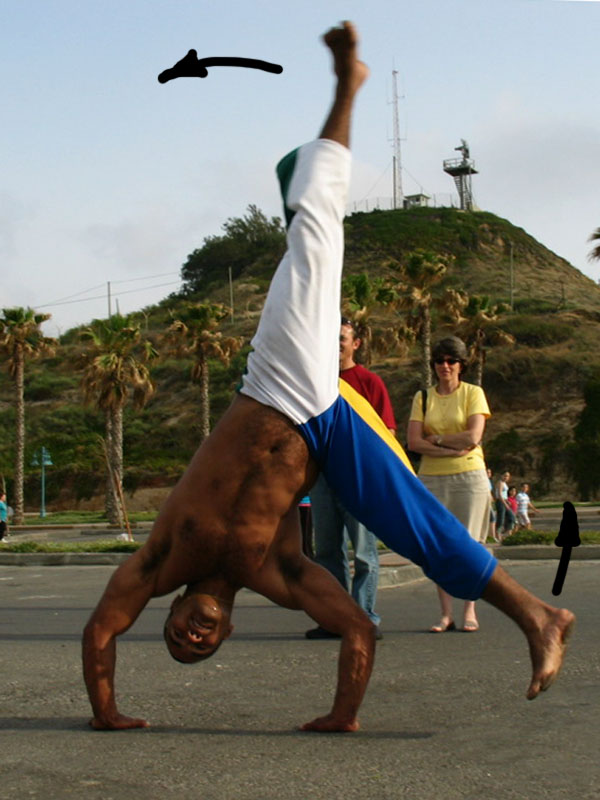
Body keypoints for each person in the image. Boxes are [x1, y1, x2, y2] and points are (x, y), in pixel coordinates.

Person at [82, 22, 574, 735]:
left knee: (315, 235)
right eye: (203, 646)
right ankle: (539, 613)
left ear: (172, 611)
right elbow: (358, 630)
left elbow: (100, 630)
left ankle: (346, 87)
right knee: (419, 524)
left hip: (279, 388)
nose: (193, 637)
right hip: (329, 431)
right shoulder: (275, 572)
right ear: (223, 636)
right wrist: (342, 716)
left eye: (177, 636)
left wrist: (106, 712)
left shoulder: (162, 557)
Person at [306, 316, 396, 640]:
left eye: (341, 338)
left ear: (355, 343)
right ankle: (336, 619)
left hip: (358, 479)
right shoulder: (316, 384)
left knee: (363, 553)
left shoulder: (369, 382)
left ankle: (363, 620)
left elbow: (386, 433)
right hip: (322, 479)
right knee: (327, 552)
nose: (335, 343)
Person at [406, 336, 493, 633]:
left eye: (451, 361)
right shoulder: (424, 398)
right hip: (431, 478)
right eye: (439, 361)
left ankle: (470, 609)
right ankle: (446, 614)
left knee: (471, 545)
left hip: (469, 476)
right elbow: (414, 442)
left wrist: (437, 439)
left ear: (461, 365)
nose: (445, 366)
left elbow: (473, 437)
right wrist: (446, 448)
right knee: (438, 546)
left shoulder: (473, 393)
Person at [487, 467, 499, 543]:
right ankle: (492, 536)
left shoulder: (489, 482)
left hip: (489, 502)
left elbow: (490, 492)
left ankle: (492, 535)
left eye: (489, 473)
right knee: (492, 518)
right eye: (487, 472)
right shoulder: (483, 481)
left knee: (492, 518)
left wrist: (492, 498)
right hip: (485, 502)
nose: (488, 474)